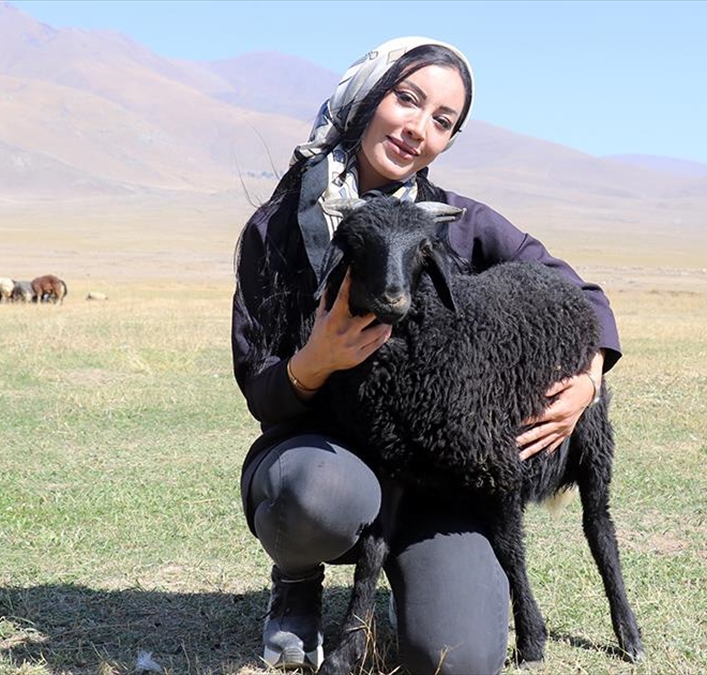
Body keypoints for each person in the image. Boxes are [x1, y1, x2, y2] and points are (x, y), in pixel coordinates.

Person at [232, 36, 622, 674]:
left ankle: (415, 584)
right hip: (322, 452)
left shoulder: (456, 223)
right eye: (406, 99)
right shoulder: (277, 229)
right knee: (317, 495)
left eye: (442, 121)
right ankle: (297, 586)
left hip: (434, 472)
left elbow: (578, 293)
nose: (418, 128)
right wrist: (316, 361)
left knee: (459, 658)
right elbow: (260, 389)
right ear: (365, 97)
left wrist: (588, 376)